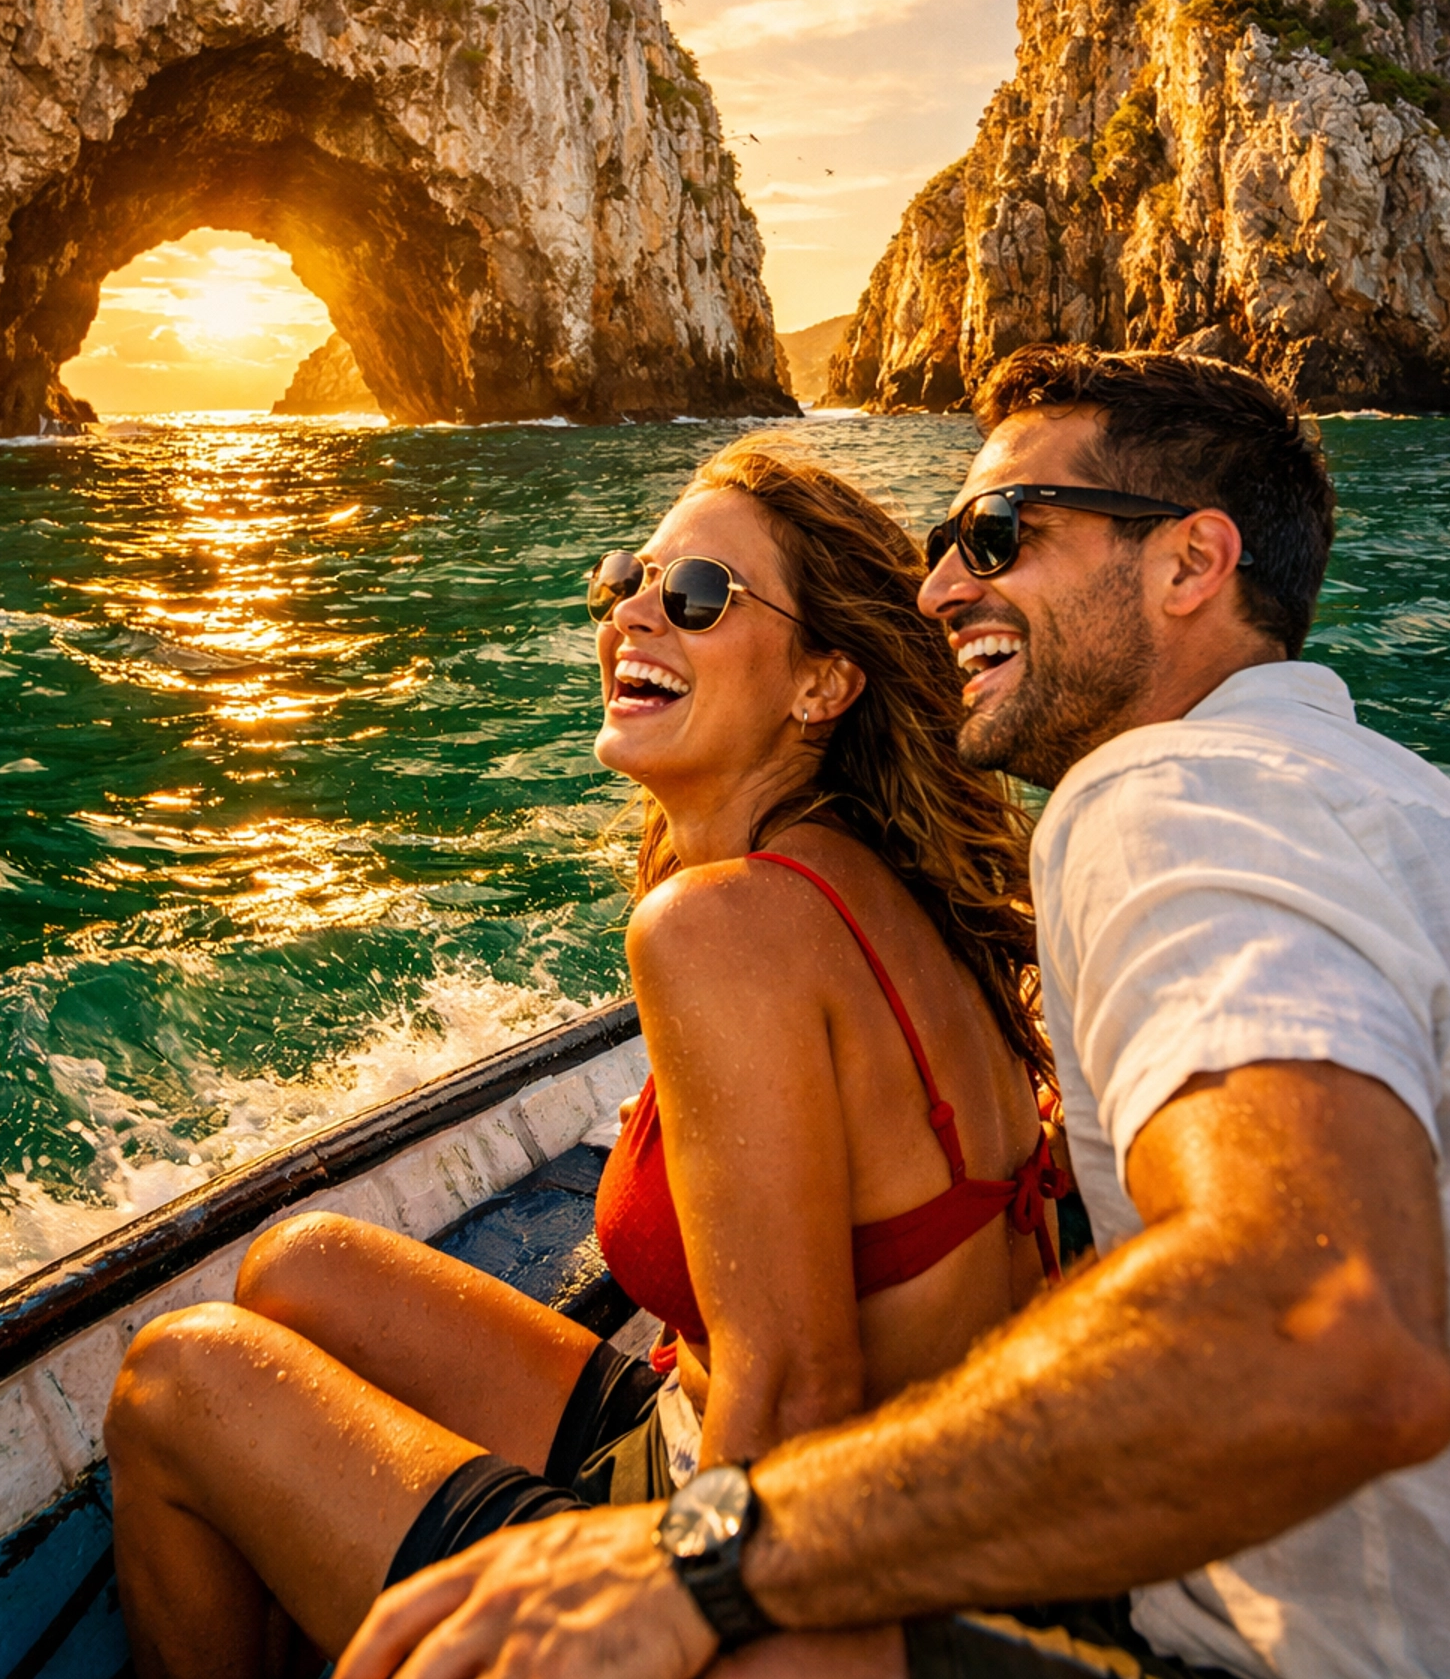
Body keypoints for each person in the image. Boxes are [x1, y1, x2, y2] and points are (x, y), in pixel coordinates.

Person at [335, 346, 1450, 1679]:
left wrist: (709, 1559)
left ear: (1190, 564)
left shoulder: (1171, 801)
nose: (941, 590)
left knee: (190, 1374)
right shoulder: (1382, 797)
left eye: (997, 536)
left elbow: (1323, 1327)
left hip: (1258, 1652)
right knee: (304, 1275)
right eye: (941, 546)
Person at [104, 432, 1065, 1679]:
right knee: (302, 1268)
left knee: (179, 1380)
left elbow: (797, 1391)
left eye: (699, 598)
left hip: (797, 1579)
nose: (633, 621)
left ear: (823, 684)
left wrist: (679, 1618)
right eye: (627, 582)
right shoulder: (869, 876)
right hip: (826, 1486)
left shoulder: (724, 928)